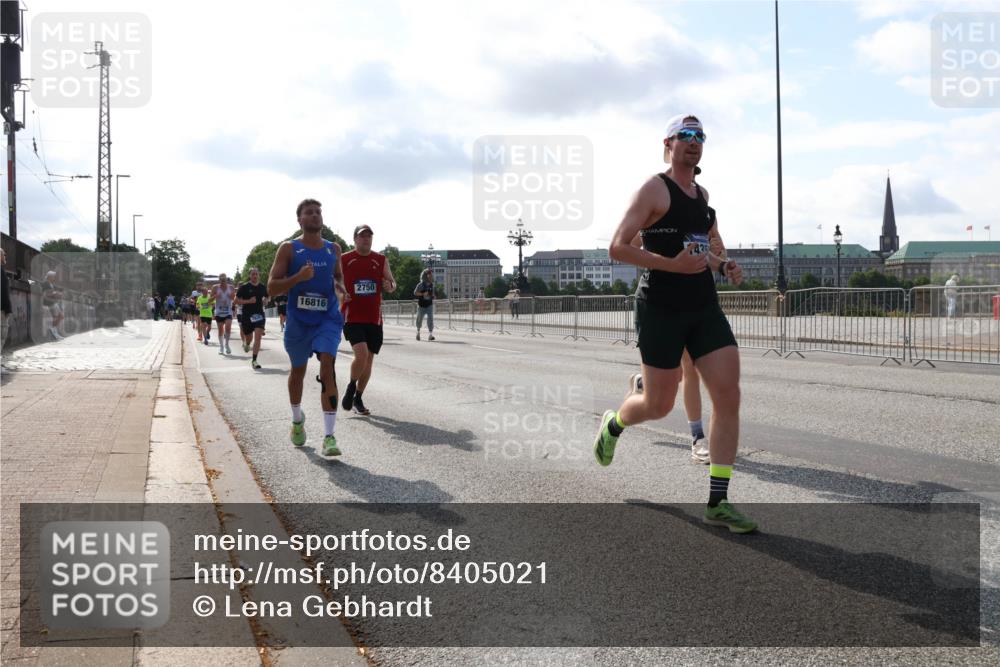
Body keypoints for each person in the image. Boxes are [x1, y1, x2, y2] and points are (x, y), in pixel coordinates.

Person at [594, 113, 755, 533]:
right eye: (685, 135)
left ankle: (718, 501)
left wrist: (724, 267)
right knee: (658, 405)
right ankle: (615, 423)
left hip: (703, 307)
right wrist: (671, 265)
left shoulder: (702, 196)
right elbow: (617, 247)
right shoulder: (654, 189)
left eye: (700, 135)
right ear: (667, 143)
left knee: (728, 394)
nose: (694, 141)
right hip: (661, 308)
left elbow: (701, 251)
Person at [626, 204, 727, 465]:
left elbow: (717, 251)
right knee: (685, 370)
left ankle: (643, 384)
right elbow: (632, 243)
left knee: (684, 372)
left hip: (697, 301)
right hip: (663, 303)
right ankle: (697, 438)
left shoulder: (705, 213)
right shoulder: (659, 211)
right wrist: (665, 262)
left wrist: (722, 259)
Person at [267, 198, 347, 457]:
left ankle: (329, 436)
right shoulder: (289, 249)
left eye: (318, 212)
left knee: (328, 365)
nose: (315, 216)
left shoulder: (333, 249)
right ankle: (297, 418)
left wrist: (340, 287)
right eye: (309, 213)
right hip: (299, 320)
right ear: (299, 220)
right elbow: (271, 287)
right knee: (298, 372)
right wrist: (298, 278)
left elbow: (338, 275)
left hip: (327, 318)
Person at [340, 224, 397, 416]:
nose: (366, 239)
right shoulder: (344, 259)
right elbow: (334, 282)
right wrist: (340, 294)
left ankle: (358, 397)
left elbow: (392, 283)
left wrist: (389, 286)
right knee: (361, 355)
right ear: (355, 239)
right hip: (352, 316)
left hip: (374, 318)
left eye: (369, 236)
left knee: (369, 361)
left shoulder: (380, 260)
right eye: (362, 236)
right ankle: (350, 386)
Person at [235, 267, 269, 369]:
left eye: (256, 274)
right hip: (247, 316)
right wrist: (248, 301)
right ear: (250, 275)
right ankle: (247, 343)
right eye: (253, 274)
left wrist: (266, 301)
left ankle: (254, 360)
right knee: (249, 338)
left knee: (258, 337)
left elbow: (268, 297)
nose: (255, 276)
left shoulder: (263, 287)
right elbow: (236, 301)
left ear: (259, 275)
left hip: (259, 315)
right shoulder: (244, 287)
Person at [212, 274, 236, 355]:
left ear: (226, 280)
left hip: (228, 311)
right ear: (219, 280)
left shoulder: (231, 287)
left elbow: (235, 299)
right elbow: (209, 300)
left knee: (228, 327)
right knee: (220, 330)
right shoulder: (215, 287)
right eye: (221, 280)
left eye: (224, 280)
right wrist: (216, 296)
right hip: (218, 312)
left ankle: (227, 344)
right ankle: (221, 347)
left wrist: (232, 296)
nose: (223, 282)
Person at [42, 271, 65, 339]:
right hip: (49, 303)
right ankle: (54, 331)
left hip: (53, 302)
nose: (54, 278)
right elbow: (45, 294)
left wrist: (57, 294)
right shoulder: (45, 283)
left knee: (59, 316)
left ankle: (55, 332)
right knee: (60, 316)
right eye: (53, 276)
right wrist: (54, 294)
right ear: (49, 276)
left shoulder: (50, 284)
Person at [414, 269, 436, 341]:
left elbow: (432, 294)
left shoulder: (431, 285)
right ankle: (418, 332)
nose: (431, 276)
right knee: (419, 319)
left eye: (431, 274)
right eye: (429, 274)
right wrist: (423, 294)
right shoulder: (421, 285)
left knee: (430, 319)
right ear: (425, 276)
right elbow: (415, 293)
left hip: (429, 304)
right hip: (421, 305)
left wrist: (433, 296)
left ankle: (430, 334)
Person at [1, 249, 12, 348]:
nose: (5, 257)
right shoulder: (1, 272)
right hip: (1, 310)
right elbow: (3, 292)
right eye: (4, 255)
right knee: (1, 336)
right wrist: (7, 309)